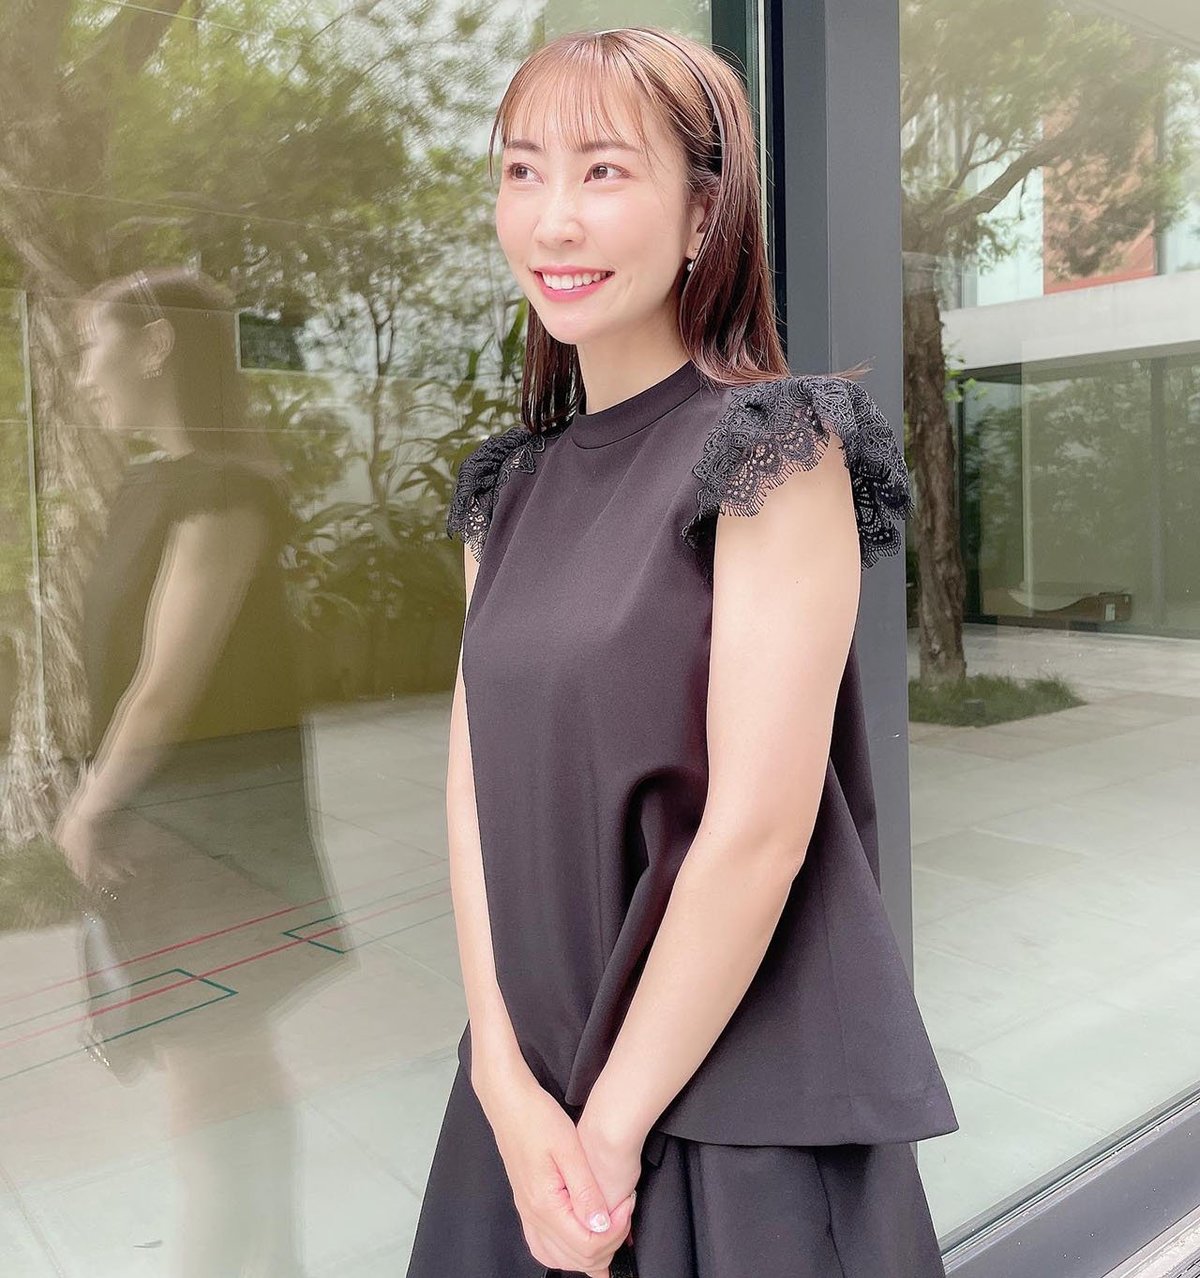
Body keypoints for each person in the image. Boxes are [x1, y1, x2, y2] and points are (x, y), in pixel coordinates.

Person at [407, 26, 958, 1278]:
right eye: (522, 171)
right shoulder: (509, 489)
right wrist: (499, 1074)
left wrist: (607, 1138)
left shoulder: (776, 449)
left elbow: (758, 833)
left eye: (604, 171)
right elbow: (473, 792)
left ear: (706, 211)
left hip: (719, 1108)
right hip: (533, 1099)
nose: (553, 218)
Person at [56, 265, 345, 1277]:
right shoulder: (156, 483)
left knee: (211, 1088)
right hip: (175, 826)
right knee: (225, 1077)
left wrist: (86, 811)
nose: (82, 375)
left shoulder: (222, 492)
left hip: (209, 836)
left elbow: (163, 688)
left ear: (154, 347)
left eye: (91, 348)